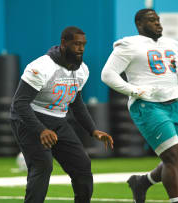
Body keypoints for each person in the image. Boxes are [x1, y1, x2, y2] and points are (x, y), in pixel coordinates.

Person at [10, 26, 114, 203]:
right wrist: (41, 130)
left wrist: (93, 130)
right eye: (76, 44)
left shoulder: (82, 70)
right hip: (30, 119)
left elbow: (76, 102)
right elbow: (19, 103)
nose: (81, 48)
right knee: (42, 167)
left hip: (58, 121)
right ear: (64, 43)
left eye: (83, 44)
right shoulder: (41, 66)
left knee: (82, 165)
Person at [101, 9, 178, 203]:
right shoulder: (128, 45)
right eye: (152, 20)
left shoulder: (171, 44)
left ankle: (142, 182)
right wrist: (133, 90)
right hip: (148, 106)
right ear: (139, 24)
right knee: (172, 157)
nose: (158, 23)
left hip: (174, 104)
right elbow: (107, 74)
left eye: (158, 20)